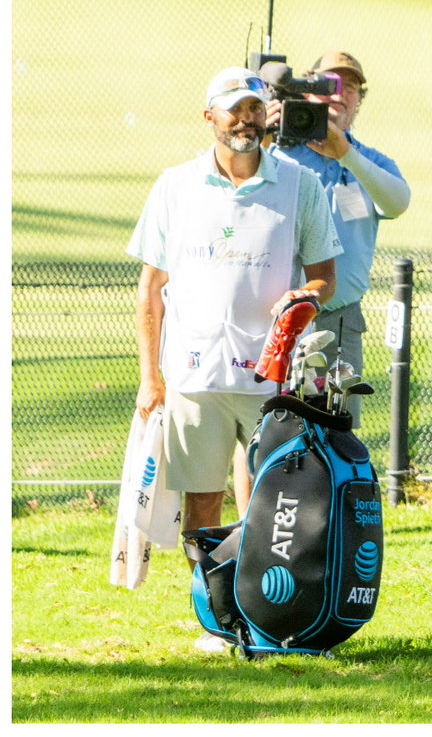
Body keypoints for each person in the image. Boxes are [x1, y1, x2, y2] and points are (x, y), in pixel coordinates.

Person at [128, 66, 342, 648]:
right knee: (202, 499)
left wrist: (306, 297)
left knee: (271, 501)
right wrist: (151, 377)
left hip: (270, 375)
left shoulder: (299, 184)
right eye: (233, 108)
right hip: (194, 373)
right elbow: (151, 288)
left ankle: (265, 610)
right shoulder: (175, 186)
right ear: (209, 117)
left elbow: (325, 275)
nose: (245, 118)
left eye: (254, 107)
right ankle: (216, 618)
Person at [265, 50, 409, 436]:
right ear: (307, 91)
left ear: (359, 101)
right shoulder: (275, 155)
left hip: (341, 321)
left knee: (336, 434)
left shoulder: (368, 161)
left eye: (351, 87)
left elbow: (398, 202)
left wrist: (344, 152)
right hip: (275, 317)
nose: (339, 93)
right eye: (328, 84)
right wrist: (263, 137)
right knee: (270, 432)